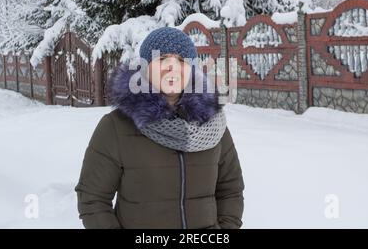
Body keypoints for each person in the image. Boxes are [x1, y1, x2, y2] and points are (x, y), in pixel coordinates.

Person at [75, 27, 244, 229]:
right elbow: (93, 200)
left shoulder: (213, 124)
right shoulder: (115, 127)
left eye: (182, 60)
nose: (172, 67)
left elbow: (230, 190)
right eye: (162, 58)